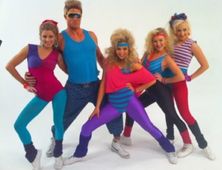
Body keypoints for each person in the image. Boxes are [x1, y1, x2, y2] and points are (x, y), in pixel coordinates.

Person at [25, 0, 129, 159]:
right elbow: (47, 56)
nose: (75, 18)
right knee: (63, 117)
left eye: (78, 15)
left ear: (81, 16)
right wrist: (31, 74)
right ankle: (55, 139)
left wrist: (115, 74)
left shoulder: (91, 35)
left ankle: (116, 140)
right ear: (65, 15)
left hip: (96, 85)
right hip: (74, 88)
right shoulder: (60, 38)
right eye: (71, 15)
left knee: (112, 109)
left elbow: (100, 58)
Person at [63, 28, 178, 165]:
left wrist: (136, 89)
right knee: (86, 127)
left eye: (124, 49)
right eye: (119, 49)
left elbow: (151, 80)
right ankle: (79, 154)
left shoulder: (133, 64)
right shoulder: (108, 63)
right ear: (114, 49)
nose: (121, 52)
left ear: (129, 49)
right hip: (114, 104)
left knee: (148, 126)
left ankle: (170, 149)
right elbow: (103, 84)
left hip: (130, 102)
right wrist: (98, 106)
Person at [121, 27, 194, 158]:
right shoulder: (147, 54)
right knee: (133, 108)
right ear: (151, 42)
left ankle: (188, 143)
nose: (158, 44)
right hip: (149, 89)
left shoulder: (166, 58)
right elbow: (141, 69)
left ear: (165, 41)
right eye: (155, 41)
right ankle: (126, 136)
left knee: (172, 114)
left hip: (161, 90)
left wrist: (165, 79)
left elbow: (180, 76)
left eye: (161, 40)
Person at [6, 20, 67, 170]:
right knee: (19, 125)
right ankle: (32, 154)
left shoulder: (56, 54)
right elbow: (10, 66)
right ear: (40, 36)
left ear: (55, 37)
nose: (47, 40)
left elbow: (68, 71)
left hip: (58, 91)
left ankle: (58, 154)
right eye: (45, 36)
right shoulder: (29, 49)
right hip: (41, 95)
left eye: (51, 37)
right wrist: (25, 83)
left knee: (58, 123)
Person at [165, 13, 215, 160]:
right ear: (174, 31)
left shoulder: (192, 45)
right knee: (168, 110)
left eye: (185, 30)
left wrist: (190, 77)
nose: (183, 33)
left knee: (185, 114)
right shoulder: (170, 43)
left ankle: (203, 144)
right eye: (179, 30)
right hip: (165, 81)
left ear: (189, 29)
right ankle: (170, 136)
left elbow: (205, 65)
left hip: (179, 82)